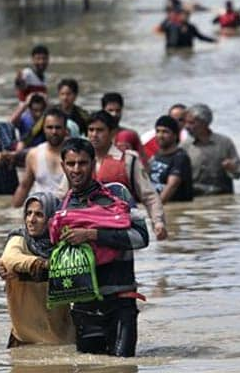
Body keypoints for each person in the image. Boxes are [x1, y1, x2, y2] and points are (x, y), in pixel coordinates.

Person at [58, 137, 149, 357]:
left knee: (122, 367)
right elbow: (45, 248)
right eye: (71, 164)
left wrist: (92, 234)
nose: (77, 169)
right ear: (63, 166)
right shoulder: (62, 206)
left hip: (121, 302)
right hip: (83, 307)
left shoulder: (118, 195)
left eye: (83, 163)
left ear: (93, 164)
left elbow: (141, 237)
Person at [61, 110, 167, 240]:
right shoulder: (77, 163)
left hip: (120, 231)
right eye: (91, 130)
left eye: (100, 130)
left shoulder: (128, 160)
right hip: (84, 231)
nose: (94, 135)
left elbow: (149, 196)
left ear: (112, 133)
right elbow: (62, 196)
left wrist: (158, 222)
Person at [0, 192, 75, 347]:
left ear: (52, 219)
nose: (31, 220)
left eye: (39, 215)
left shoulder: (65, 244)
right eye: (28, 213)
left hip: (62, 336)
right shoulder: (20, 239)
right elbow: (10, 258)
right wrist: (42, 265)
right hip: (24, 339)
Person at [181, 103, 240, 195]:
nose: (186, 126)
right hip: (195, 199)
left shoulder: (224, 143)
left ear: (204, 123)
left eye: (191, 123)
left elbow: (239, 172)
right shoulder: (184, 146)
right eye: (185, 122)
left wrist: (232, 167)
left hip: (222, 198)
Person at [12, 108, 68, 207]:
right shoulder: (34, 154)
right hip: (40, 212)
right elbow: (24, 187)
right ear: (43, 129)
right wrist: (11, 214)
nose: (54, 132)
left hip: (65, 212)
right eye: (49, 127)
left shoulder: (74, 155)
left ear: (65, 129)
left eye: (58, 127)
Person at [148, 116, 193, 202]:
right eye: (158, 131)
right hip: (156, 204)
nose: (160, 135)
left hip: (173, 207)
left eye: (165, 132)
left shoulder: (180, 157)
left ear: (175, 135)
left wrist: (155, 209)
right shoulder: (156, 156)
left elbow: (171, 186)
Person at [101, 92, 147, 163]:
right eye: (110, 110)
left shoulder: (131, 135)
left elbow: (143, 162)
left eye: (118, 110)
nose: (114, 114)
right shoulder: (95, 135)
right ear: (103, 110)